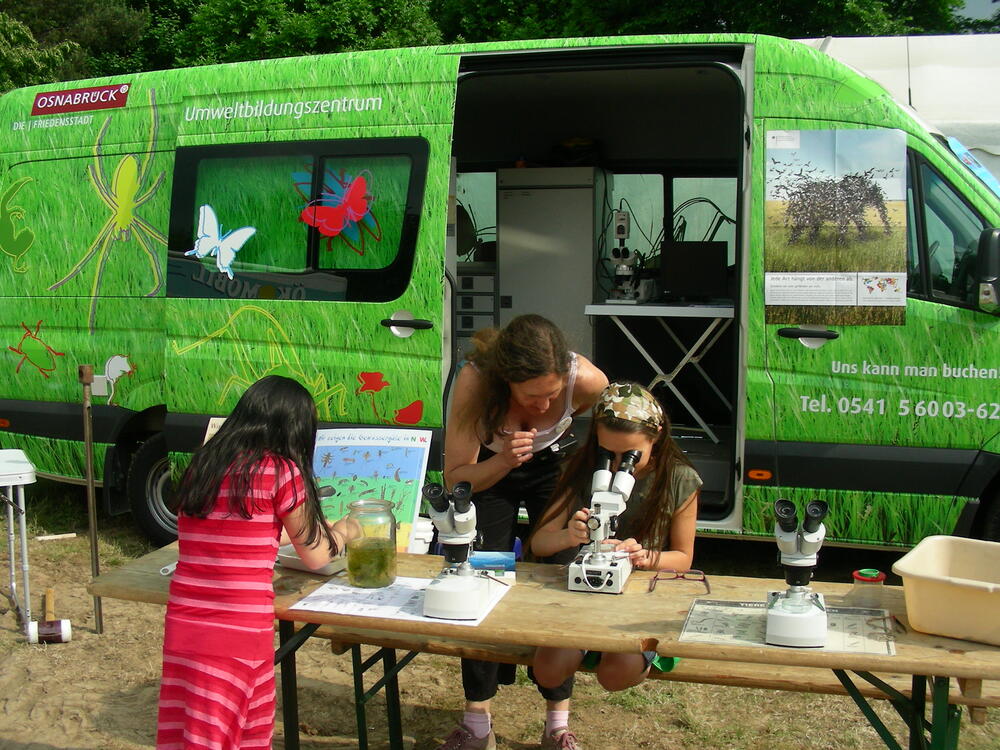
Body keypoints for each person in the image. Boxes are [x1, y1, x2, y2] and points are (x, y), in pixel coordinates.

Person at [155, 375, 359, 750]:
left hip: (185, 627)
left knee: (191, 734)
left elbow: (243, 529)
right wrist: (344, 532)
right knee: (239, 735)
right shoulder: (282, 470)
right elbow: (316, 555)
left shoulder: (207, 463)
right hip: (238, 632)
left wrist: (306, 530)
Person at [437, 314, 608, 750]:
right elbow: (457, 478)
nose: (542, 406)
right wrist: (503, 461)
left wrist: (552, 445)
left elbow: (596, 429)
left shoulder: (586, 381)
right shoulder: (476, 382)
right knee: (478, 575)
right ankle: (477, 721)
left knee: (561, 574)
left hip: (550, 465)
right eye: (532, 397)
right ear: (506, 381)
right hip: (489, 472)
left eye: (552, 395)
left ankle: (557, 722)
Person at [529, 382, 702, 710]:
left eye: (630, 456)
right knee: (547, 671)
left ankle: (635, 653)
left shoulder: (679, 480)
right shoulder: (581, 469)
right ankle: (587, 643)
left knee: (615, 675)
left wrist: (646, 557)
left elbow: (683, 558)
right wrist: (570, 535)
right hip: (586, 599)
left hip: (641, 604)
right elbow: (540, 541)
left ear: (657, 436)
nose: (620, 464)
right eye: (609, 454)